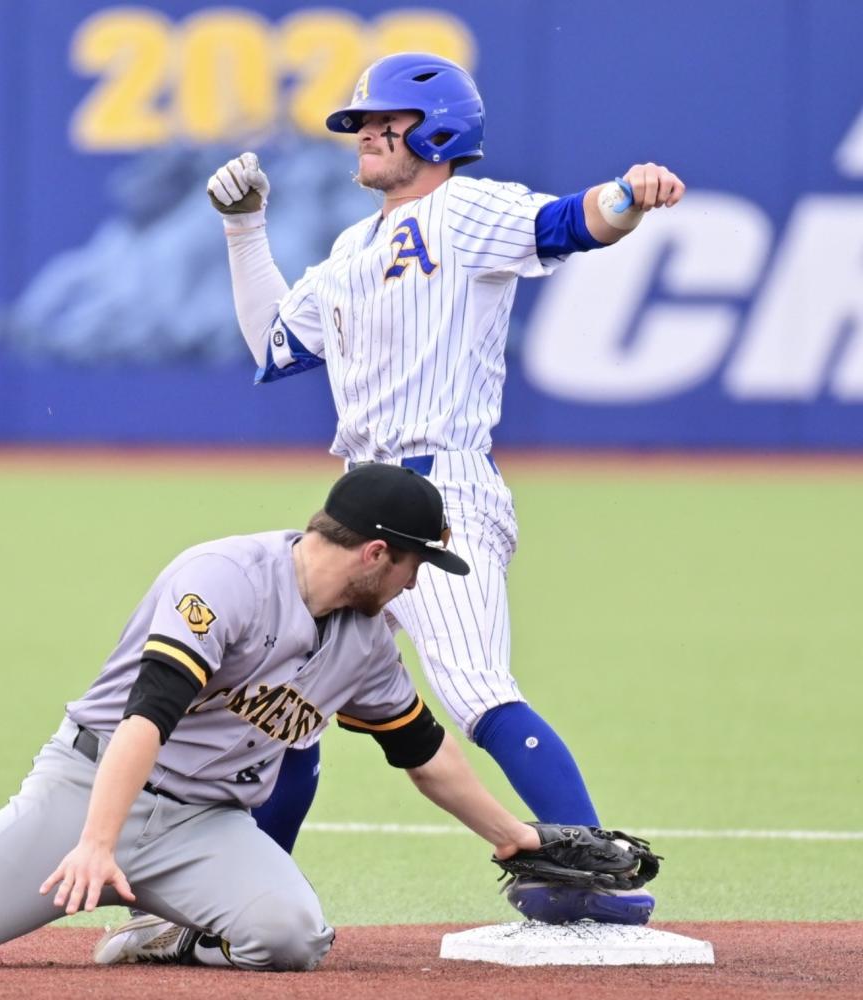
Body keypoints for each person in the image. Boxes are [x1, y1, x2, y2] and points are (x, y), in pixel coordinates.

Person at [97, 52, 685, 959]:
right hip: (354, 507)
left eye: (386, 120)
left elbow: (573, 222)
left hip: (438, 495)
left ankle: (590, 881)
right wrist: (246, 229)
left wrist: (631, 194)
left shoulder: (466, 210)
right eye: (360, 121)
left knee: (475, 689)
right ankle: (235, 903)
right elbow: (273, 346)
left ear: (439, 131)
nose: (365, 132)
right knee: (290, 706)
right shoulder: (350, 249)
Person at [0, 465, 544, 972]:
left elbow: (422, 751)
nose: (416, 581)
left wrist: (515, 837)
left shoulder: (367, 642)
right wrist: (96, 840)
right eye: (414, 563)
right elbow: (146, 716)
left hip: (206, 822)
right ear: (375, 553)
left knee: (292, 940)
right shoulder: (224, 576)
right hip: (91, 789)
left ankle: (168, 933)